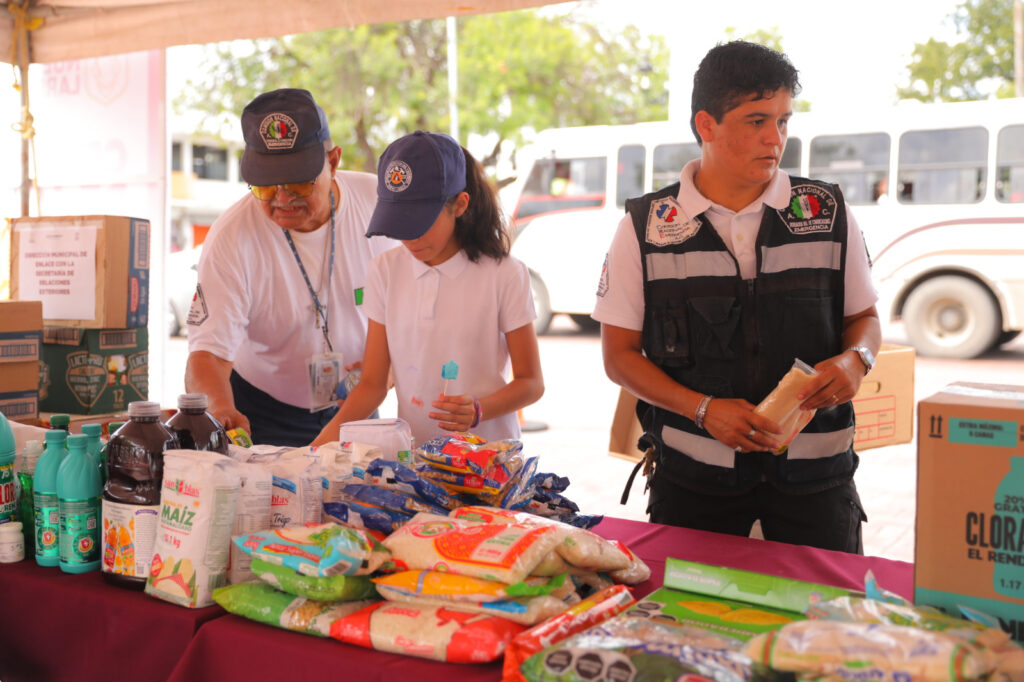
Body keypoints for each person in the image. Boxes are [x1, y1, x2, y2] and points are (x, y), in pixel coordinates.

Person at [593, 41, 882, 554]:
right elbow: (618, 357)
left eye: (783, 120)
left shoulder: (826, 211)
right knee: (688, 628)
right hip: (694, 491)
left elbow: (865, 318)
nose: (776, 139)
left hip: (818, 487)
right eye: (756, 121)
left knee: (823, 631)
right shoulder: (646, 227)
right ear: (706, 125)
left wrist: (857, 361)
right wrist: (703, 409)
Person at [185, 88, 396, 446]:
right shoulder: (232, 236)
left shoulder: (382, 206)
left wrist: (386, 373)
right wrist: (220, 407)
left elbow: (415, 307)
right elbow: (207, 356)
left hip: (357, 404)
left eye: (299, 181)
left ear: (333, 161)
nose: (282, 198)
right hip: (262, 413)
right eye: (266, 185)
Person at [311, 131, 544, 446]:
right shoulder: (385, 269)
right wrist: (317, 446)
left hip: (489, 462)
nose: (410, 239)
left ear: (460, 205)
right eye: (400, 224)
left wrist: (479, 410)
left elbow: (531, 382)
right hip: (416, 460)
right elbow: (372, 385)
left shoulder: (504, 274)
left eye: (420, 224)